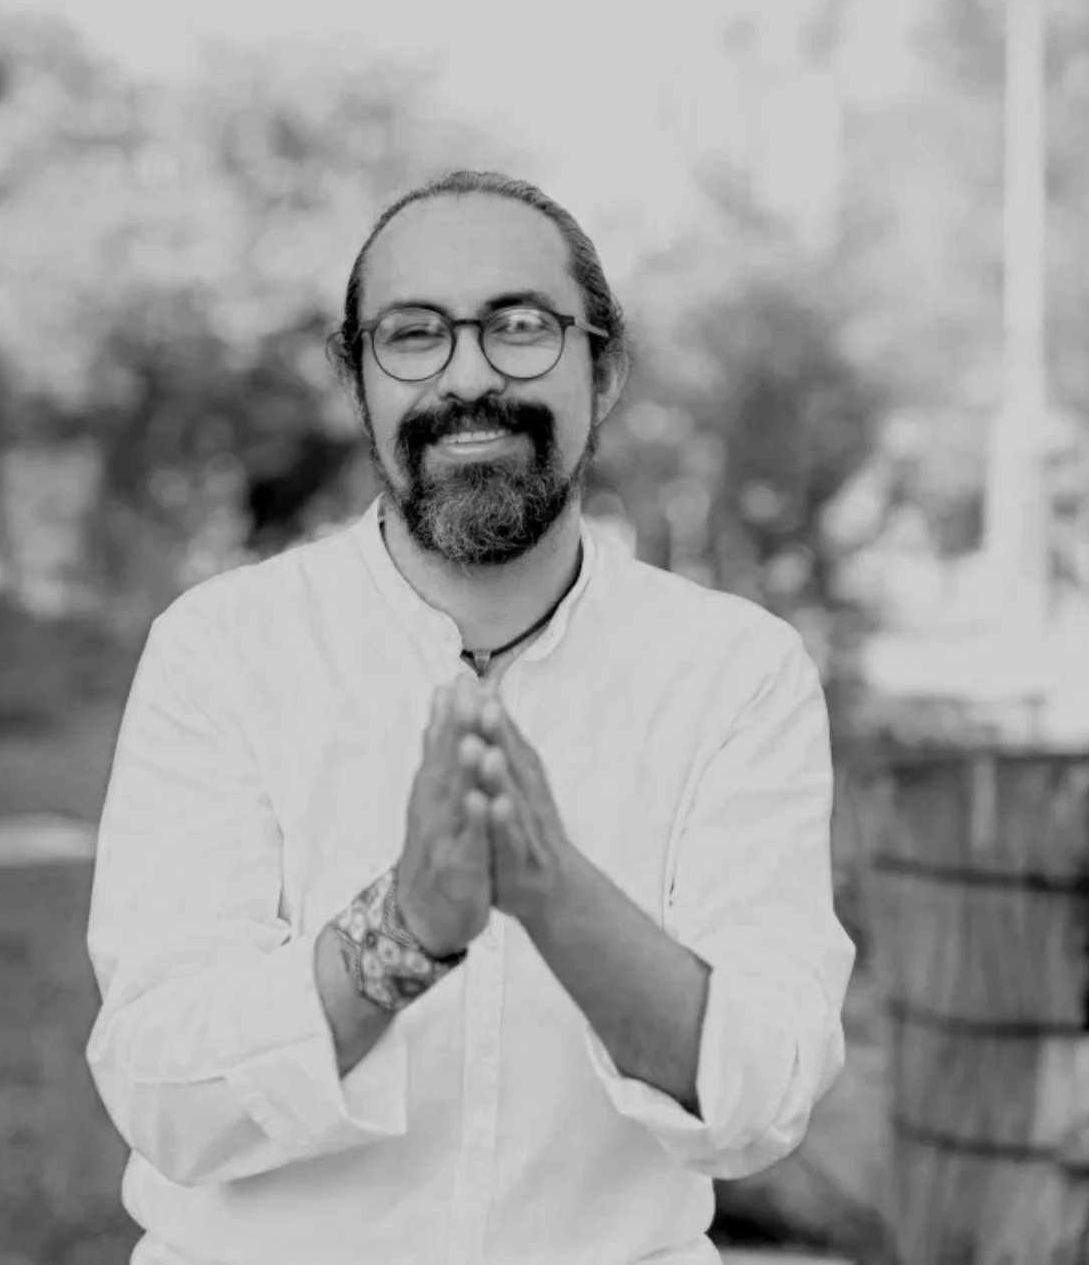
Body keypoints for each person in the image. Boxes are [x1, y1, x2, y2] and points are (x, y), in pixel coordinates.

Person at [85, 170, 856, 1265]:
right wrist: (398, 935)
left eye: (520, 327)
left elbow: (762, 1093)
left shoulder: (735, 671)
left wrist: (554, 894)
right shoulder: (222, 650)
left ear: (606, 364)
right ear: (359, 381)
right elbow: (163, 1089)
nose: (468, 377)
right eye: (412, 335)